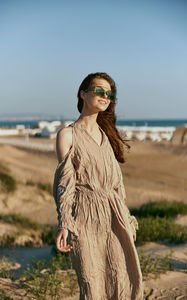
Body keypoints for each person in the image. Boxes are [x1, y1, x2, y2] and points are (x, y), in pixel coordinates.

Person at [53, 72, 144, 299]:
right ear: (83, 94)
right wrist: (65, 223)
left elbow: (116, 186)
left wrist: (127, 219)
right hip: (84, 216)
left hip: (113, 216)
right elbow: (65, 183)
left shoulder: (107, 137)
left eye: (110, 94)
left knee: (120, 278)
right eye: (100, 91)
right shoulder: (68, 135)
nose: (106, 96)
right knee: (91, 282)